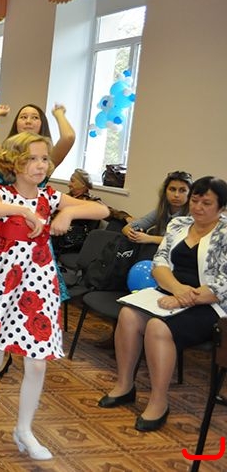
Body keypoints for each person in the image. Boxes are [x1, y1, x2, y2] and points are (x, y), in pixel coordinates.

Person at [0, 132, 108, 460]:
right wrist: (21, 212)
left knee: (37, 363)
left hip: (38, 281)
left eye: (44, 159)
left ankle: (24, 429)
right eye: (32, 159)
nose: (41, 165)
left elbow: (102, 209)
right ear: (14, 163)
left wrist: (67, 213)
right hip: (1, 281)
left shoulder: (51, 196)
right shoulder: (2, 194)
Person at [98, 176, 227, 432]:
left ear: (222, 207)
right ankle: (125, 386)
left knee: (158, 327)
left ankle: (159, 401)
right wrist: (177, 290)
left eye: (207, 203)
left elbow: (222, 284)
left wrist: (182, 298)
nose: (198, 207)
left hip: (208, 305)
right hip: (169, 293)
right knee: (128, 315)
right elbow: (160, 263)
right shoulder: (179, 224)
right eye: (195, 200)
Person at [0, 102, 76, 376]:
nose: (28, 120)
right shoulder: (5, 153)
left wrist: (60, 113)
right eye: (23, 116)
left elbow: (69, 137)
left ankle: (7, 349)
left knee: (21, 293)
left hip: (32, 235)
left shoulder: (46, 156)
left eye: (35, 117)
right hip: (1, 229)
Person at [52, 168, 132, 255]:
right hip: (58, 233)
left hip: (73, 239)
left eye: (72, 181)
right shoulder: (66, 197)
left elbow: (110, 212)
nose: (69, 184)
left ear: (83, 184)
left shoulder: (91, 201)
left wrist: (126, 217)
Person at [122, 170, 193, 245]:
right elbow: (127, 228)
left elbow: (183, 241)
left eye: (182, 190)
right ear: (165, 192)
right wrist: (132, 234)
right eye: (172, 189)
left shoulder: (193, 215)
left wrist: (150, 238)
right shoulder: (161, 211)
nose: (176, 195)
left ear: (190, 194)